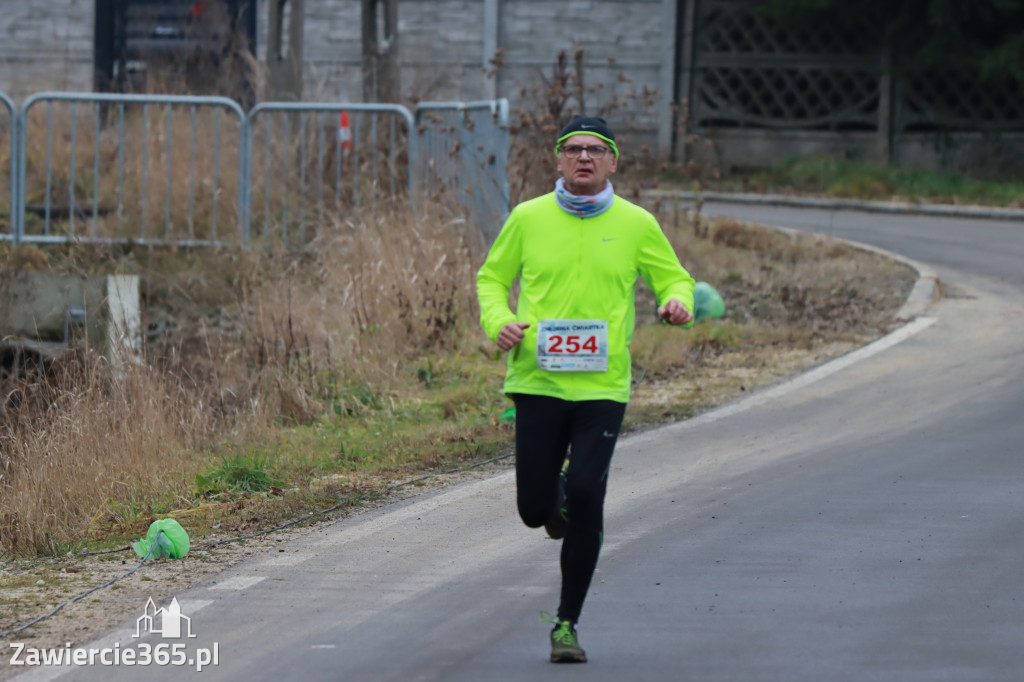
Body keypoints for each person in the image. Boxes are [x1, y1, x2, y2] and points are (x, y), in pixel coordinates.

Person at [476, 115, 696, 663]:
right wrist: (496, 321)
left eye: (596, 151)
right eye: (573, 149)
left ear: (613, 162)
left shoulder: (636, 223)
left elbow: (674, 277)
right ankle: (553, 505)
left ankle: (566, 625)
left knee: (586, 495)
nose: (584, 158)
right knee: (534, 508)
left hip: (602, 387)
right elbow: (491, 279)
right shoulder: (528, 218)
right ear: (557, 160)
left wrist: (677, 303)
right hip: (537, 379)